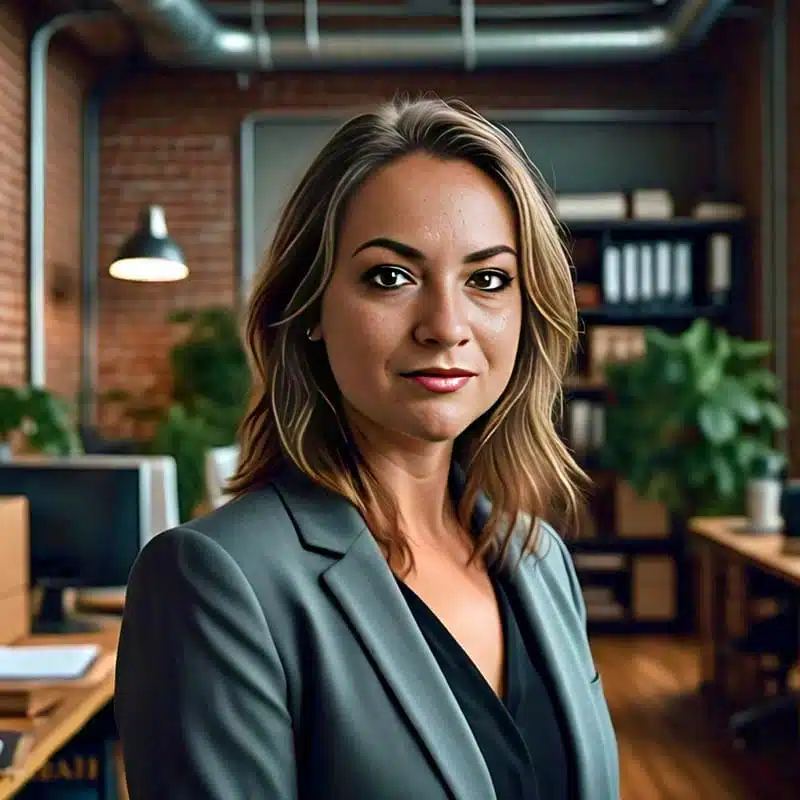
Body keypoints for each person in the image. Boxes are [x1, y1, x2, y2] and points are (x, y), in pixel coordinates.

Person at [114, 96, 619, 800]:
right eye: (391, 276)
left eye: (488, 279)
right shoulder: (216, 581)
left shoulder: (539, 559)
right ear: (310, 307)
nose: (446, 325)